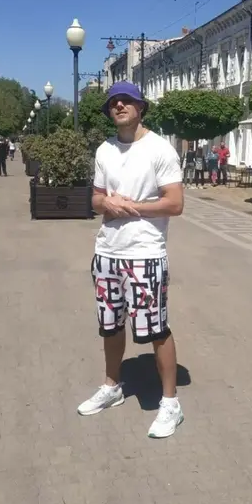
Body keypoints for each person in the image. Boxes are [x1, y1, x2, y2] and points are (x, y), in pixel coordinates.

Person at [78, 81, 184, 439]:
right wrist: (106, 203)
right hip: (107, 253)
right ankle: (112, 386)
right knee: (110, 325)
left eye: (126, 100)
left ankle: (170, 403)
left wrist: (130, 206)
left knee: (156, 329)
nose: (119, 105)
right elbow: (96, 199)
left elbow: (175, 203)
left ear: (141, 107)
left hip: (144, 255)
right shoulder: (104, 150)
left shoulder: (160, 149)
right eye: (113, 102)